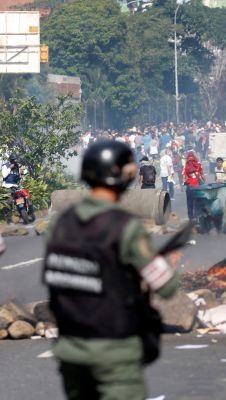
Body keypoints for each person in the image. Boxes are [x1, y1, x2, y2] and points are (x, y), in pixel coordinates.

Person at [43, 140, 179, 400]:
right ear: (120, 176)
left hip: (70, 348)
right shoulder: (124, 227)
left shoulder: (59, 226)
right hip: (113, 347)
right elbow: (167, 285)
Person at [183, 151, 205, 222]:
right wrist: (204, 183)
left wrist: (186, 182)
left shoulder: (186, 167)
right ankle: (196, 217)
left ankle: (191, 218)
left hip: (189, 187)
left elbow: (184, 178)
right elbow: (202, 175)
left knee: (190, 204)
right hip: (197, 187)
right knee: (197, 203)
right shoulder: (199, 165)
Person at [2, 154, 23, 223]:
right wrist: (10, 168)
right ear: (12, 160)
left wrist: (22, 175)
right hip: (7, 187)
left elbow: (19, 178)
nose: (16, 161)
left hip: (15, 187)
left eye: (16, 159)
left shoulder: (18, 167)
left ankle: (22, 215)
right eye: (15, 159)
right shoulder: (5, 166)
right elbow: (4, 175)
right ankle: (9, 221)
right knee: (9, 203)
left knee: (20, 200)